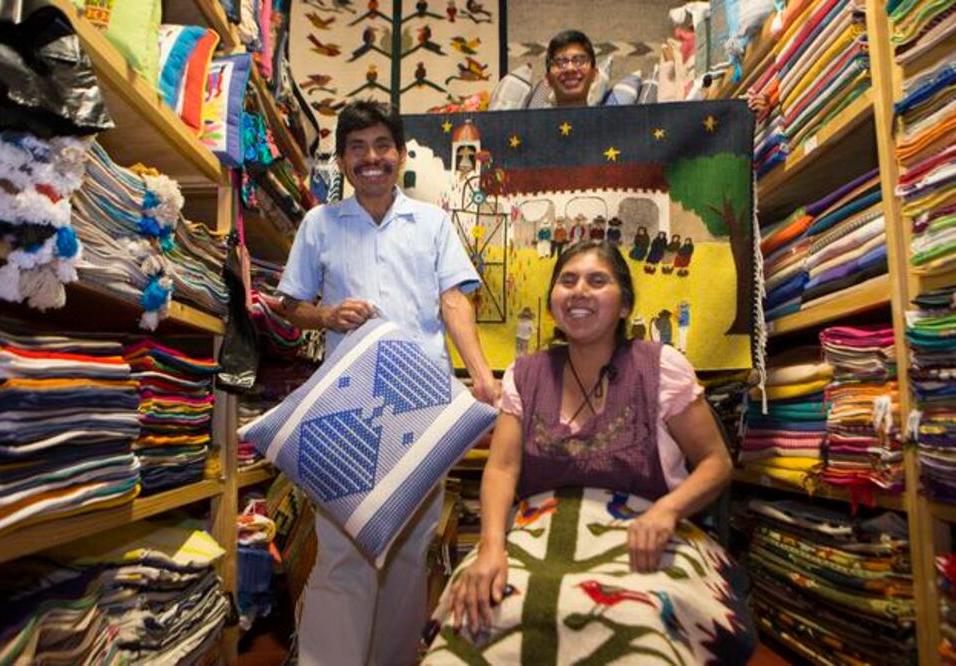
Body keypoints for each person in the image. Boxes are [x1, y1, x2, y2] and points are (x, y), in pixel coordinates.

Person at [267, 99, 498, 666]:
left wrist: (483, 375)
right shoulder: (320, 224)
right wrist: (327, 316)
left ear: (398, 153)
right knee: (342, 548)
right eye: (357, 148)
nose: (371, 158)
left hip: (422, 405)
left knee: (410, 549)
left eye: (381, 146)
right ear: (343, 159)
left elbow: (453, 301)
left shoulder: (433, 222)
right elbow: (289, 304)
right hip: (347, 408)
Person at [448, 240, 733, 634]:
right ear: (551, 304)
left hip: (645, 533)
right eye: (568, 280)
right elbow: (501, 468)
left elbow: (716, 463)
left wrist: (667, 512)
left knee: (640, 621)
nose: (580, 290)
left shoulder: (662, 369)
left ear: (626, 305)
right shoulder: (525, 375)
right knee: (480, 614)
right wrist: (491, 545)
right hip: (538, 535)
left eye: (597, 280)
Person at [544, 29, 769, 111]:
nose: (570, 68)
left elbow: (682, 132)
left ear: (594, 73)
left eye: (579, 60)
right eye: (561, 62)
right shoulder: (529, 132)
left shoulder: (619, 124)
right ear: (547, 78)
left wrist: (745, 113)